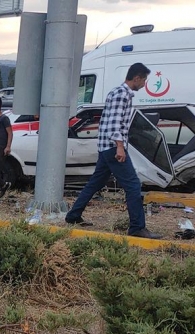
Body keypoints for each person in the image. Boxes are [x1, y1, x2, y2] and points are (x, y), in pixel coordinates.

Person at [64, 62, 161, 239]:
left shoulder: (116, 92)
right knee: (133, 185)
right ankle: (137, 227)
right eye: (144, 80)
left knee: (95, 183)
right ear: (137, 78)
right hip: (112, 147)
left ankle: (73, 215)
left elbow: (107, 121)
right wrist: (120, 147)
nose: (144, 84)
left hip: (105, 147)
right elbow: (115, 123)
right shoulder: (122, 95)